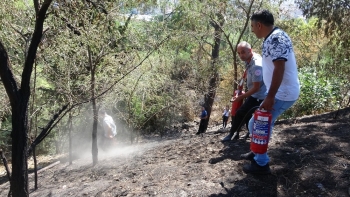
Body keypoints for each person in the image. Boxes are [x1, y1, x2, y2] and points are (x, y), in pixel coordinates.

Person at [241, 10, 300, 174]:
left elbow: (279, 69)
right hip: (281, 92)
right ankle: (256, 152)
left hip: (283, 93)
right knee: (260, 123)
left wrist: (270, 96)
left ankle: (261, 163)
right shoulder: (273, 37)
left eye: (253, 26)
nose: (252, 29)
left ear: (259, 25)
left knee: (257, 124)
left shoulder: (276, 38)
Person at [222, 41, 266, 141]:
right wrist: (241, 84)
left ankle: (232, 135)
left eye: (243, 52)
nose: (241, 55)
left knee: (241, 112)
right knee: (246, 113)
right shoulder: (249, 59)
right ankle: (248, 133)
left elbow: (256, 88)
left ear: (250, 51)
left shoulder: (257, 65)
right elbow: (247, 70)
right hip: (254, 93)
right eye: (238, 53)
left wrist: (240, 97)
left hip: (260, 95)